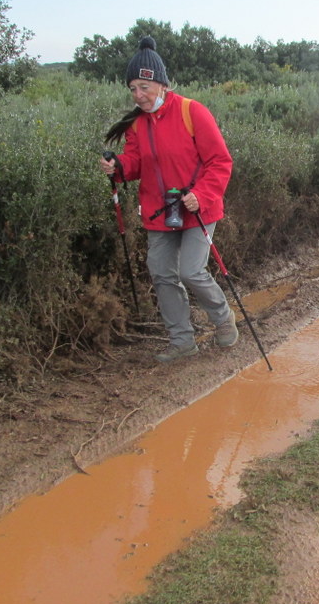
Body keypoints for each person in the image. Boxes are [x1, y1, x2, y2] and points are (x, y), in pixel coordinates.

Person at [100, 36, 238, 363]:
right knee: (161, 272)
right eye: (132, 88)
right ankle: (182, 340)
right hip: (160, 212)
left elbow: (221, 161)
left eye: (144, 86)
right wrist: (118, 166)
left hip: (197, 210)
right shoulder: (136, 123)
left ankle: (222, 318)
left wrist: (201, 195)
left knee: (191, 271)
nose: (138, 95)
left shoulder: (193, 112)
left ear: (162, 84)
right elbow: (136, 163)